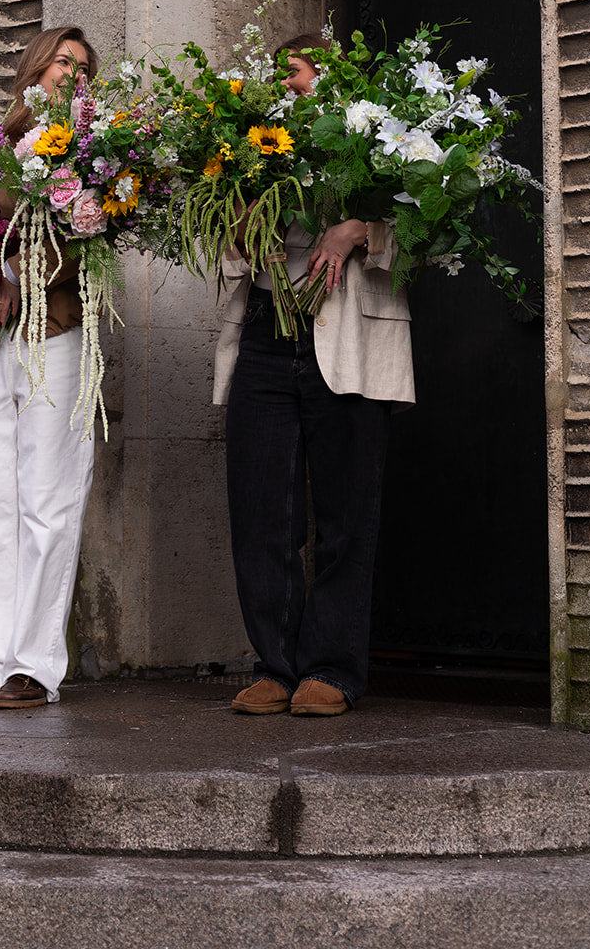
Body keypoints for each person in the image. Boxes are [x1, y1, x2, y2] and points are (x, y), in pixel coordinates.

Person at [215, 35, 415, 716]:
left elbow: (425, 229)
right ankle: (273, 664)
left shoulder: (382, 130)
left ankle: (330, 670)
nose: (287, 86)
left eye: (295, 73)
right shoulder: (250, 145)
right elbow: (227, 255)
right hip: (266, 335)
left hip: (348, 340)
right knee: (260, 512)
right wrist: (241, 230)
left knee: (344, 516)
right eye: (280, 76)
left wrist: (357, 229)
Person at [0, 26, 99, 709]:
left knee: (49, 500)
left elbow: (97, 235)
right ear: (34, 67)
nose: (74, 75)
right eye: (64, 62)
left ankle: (35, 663)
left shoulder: (95, 149)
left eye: (85, 69)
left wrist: (29, 277)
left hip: (53, 336)